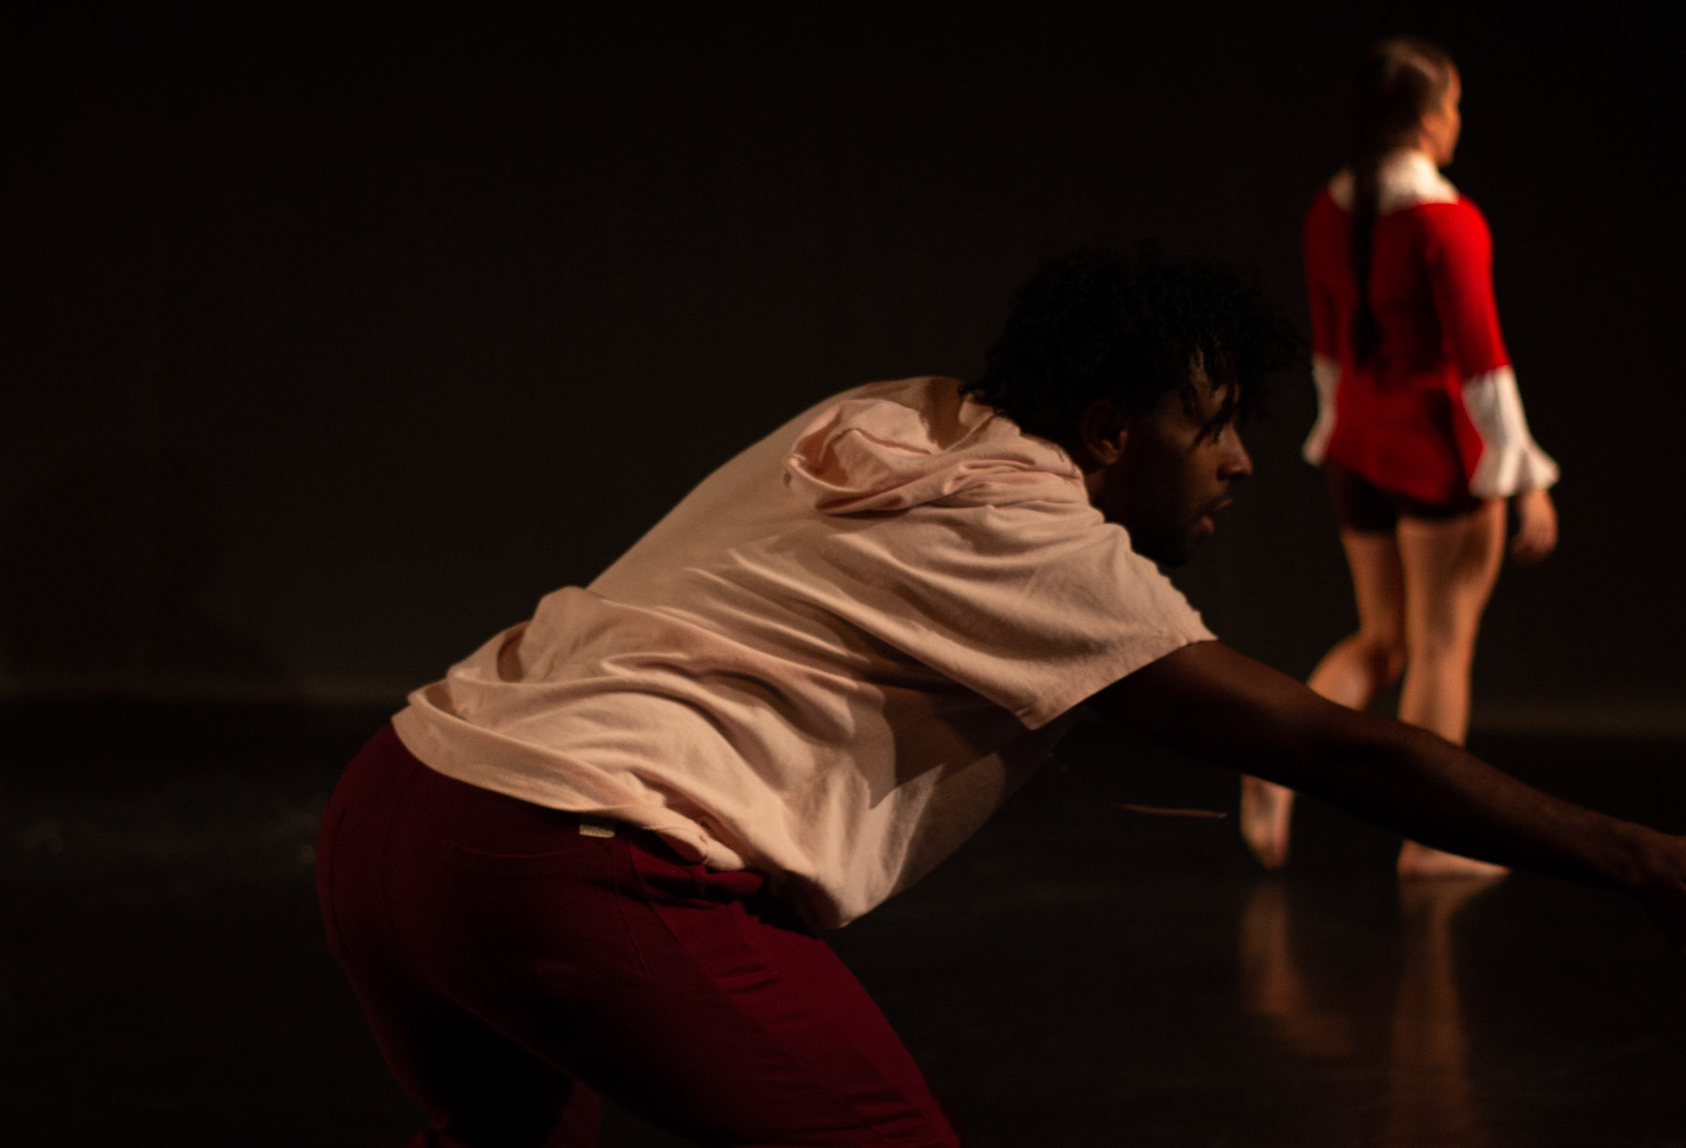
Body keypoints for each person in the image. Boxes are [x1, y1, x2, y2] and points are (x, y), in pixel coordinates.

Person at [316, 248, 1682, 1148]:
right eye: (1211, 423)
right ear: (1108, 431)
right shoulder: (1031, 536)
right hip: (567, 853)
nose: (1241, 462)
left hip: (397, 803)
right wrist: (1641, 858)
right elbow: (1339, 751)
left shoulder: (888, 413)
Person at [1240, 39, 1562, 877]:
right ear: (1426, 121)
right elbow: (1483, 365)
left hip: (1357, 446)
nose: (1458, 121)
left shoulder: (1330, 208)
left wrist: (1333, 428)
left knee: (1382, 640)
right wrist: (1524, 478)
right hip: (1435, 455)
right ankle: (1432, 841)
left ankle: (1272, 766)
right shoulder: (1446, 222)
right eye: (1453, 106)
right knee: (1440, 646)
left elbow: (1328, 350)